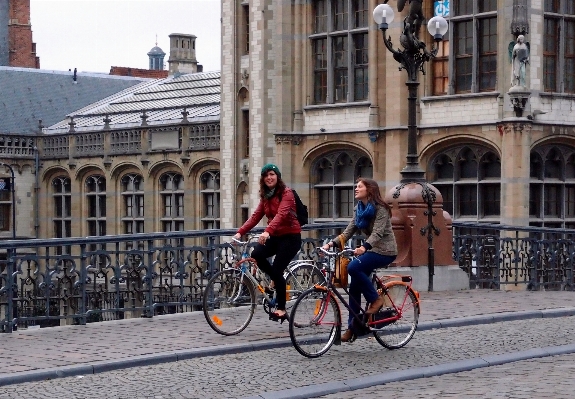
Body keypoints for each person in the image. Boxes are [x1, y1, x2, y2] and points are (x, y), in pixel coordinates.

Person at [322, 177, 398, 342]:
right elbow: (349, 230)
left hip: (385, 251)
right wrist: (332, 244)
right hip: (371, 250)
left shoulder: (381, 209)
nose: (355, 189)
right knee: (354, 288)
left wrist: (364, 247)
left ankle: (376, 299)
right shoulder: (359, 209)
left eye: (359, 187)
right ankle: (353, 327)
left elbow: (377, 233)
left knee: (353, 268)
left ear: (369, 190)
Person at [233, 164, 302, 322]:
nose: (269, 178)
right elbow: (256, 216)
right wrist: (240, 232)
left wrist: (267, 231)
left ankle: (282, 309)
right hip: (275, 236)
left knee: (277, 270)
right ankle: (275, 282)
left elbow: (281, 214)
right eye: (266, 175)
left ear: (277, 176)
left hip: (291, 237)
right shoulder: (266, 196)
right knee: (256, 254)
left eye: (272, 174)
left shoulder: (287, 193)